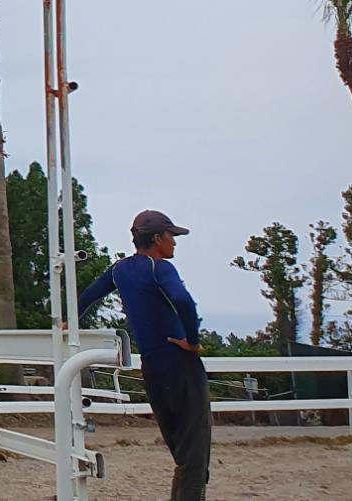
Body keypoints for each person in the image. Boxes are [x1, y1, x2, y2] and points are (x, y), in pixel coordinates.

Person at [78, 209, 211, 499]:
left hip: (151, 367)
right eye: (172, 236)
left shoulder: (119, 270)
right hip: (180, 364)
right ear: (157, 238)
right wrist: (192, 341)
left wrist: (69, 321)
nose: (174, 242)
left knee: (181, 451)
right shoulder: (160, 267)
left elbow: (89, 295)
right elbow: (184, 301)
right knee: (194, 453)